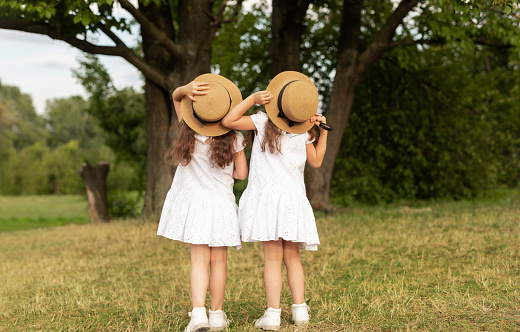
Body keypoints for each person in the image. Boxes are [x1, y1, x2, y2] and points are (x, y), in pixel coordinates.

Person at [222, 71, 328, 330]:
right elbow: (316, 161)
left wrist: (252, 99)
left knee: (272, 259)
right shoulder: (304, 131)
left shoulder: (262, 120)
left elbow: (228, 120)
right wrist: (322, 131)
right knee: (292, 258)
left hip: (268, 200)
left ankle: (272, 315)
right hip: (293, 201)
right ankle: (300, 311)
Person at [157, 73, 248, 332]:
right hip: (221, 206)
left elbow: (176, 96)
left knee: (198, 262)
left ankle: (198, 315)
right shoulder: (234, 138)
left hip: (195, 206)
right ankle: (217, 315)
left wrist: (186, 89)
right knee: (219, 262)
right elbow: (241, 175)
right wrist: (237, 152)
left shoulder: (187, 129)